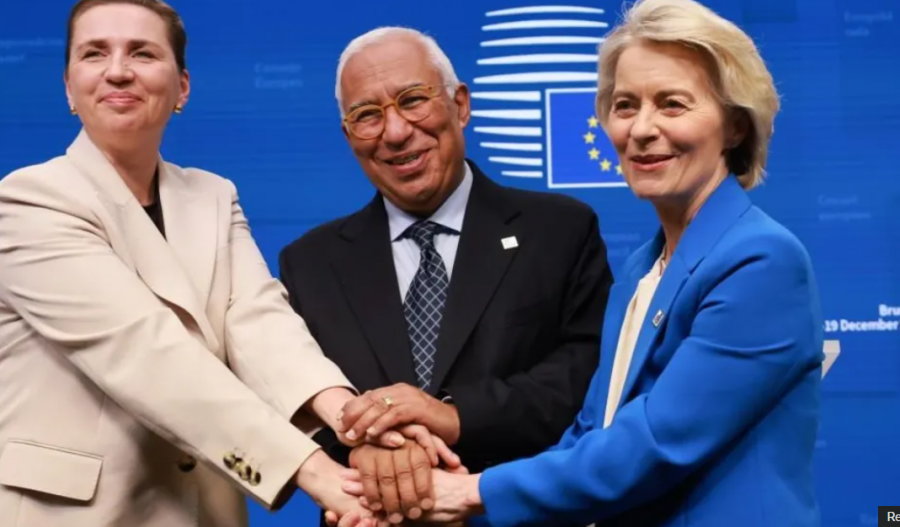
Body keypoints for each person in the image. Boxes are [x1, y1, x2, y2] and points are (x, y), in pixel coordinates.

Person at [343, 1, 825, 526]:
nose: (641, 129)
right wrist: (447, 501)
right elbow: (590, 435)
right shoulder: (644, 267)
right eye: (624, 105)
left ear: (734, 126)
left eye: (672, 105)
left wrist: (467, 493)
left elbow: (656, 442)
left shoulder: (760, 260)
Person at [0, 1, 396, 526]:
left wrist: (351, 418)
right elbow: (146, 353)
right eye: (95, 53)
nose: (118, 70)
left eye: (142, 52)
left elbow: (258, 321)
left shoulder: (212, 194)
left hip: (204, 512)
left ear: (182, 87)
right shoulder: (26, 201)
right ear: (70, 87)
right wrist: (318, 473)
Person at [278, 26, 613, 524]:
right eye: (367, 116)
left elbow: (586, 375)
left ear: (460, 105)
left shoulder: (560, 230)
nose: (394, 132)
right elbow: (294, 395)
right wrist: (363, 452)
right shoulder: (310, 264)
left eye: (413, 100)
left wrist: (455, 416)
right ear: (349, 138)